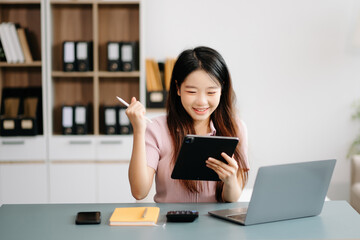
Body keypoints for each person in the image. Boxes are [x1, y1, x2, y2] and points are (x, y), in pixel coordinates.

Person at [126, 46, 249, 203]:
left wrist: (230, 180)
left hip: (215, 225)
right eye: (191, 92)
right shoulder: (157, 128)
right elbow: (139, 191)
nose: (201, 102)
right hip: (171, 224)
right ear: (178, 88)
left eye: (211, 92)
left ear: (222, 89)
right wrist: (138, 130)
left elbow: (230, 199)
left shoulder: (236, 128)